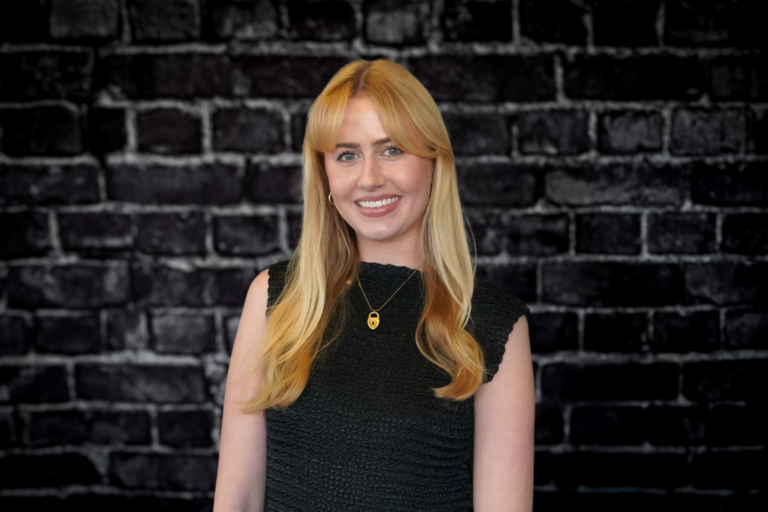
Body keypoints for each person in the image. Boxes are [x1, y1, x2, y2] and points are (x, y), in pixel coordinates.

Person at [213, 59, 534, 512]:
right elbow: (237, 502)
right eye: (347, 154)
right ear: (324, 175)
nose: (369, 178)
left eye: (391, 149)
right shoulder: (275, 298)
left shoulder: (492, 321)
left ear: (434, 161)